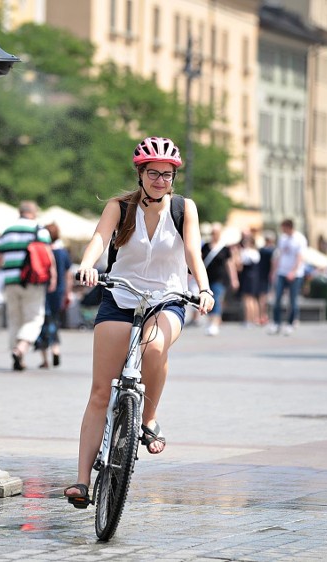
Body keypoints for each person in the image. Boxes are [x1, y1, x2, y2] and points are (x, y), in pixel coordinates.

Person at [65, 136, 214, 508]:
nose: (160, 180)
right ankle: (82, 481)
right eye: (153, 173)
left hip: (168, 299)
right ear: (140, 174)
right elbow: (100, 239)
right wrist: (87, 264)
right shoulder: (120, 207)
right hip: (120, 296)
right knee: (101, 391)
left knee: (155, 346)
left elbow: (193, 250)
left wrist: (205, 288)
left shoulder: (184, 209)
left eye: (167, 174)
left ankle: (147, 419)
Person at [0, 201, 57, 372]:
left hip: (10, 281)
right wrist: (53, 277)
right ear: (34, 213)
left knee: (14, 318)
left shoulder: (7, 231)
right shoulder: (39, 229)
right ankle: (21, 348)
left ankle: (18, 356)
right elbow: (48, 254)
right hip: (32, 280)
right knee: (34, 317)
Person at [34, 222, 72, 367]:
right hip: (59, 291)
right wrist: (67, 293)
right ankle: (56, 349)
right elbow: (68, 275)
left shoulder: (42, 251)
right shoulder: (63, 252)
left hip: (43, 290)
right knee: (55, 320)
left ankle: (45, 359)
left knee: (42, 321)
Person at [268, 219, 307, 336]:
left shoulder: (299, 239)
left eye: (284, 228)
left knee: (293, 300)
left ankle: (290, 323)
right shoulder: (283, 238)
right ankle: (276, 323)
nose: (282, 230)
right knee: (277, 298)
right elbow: (279, 255)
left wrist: (293, 272)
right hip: (281, 272)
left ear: (289, 227)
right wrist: (274, 271)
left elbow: (300, 257)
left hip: (295, 274)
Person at [199, 223, 237, 336]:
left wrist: (234, 279)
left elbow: (230, 264)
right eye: (212, 232)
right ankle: (211, 321)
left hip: (220, 278)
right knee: (206, 299)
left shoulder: (225, 248)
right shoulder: (205, 246)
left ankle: (214, 323)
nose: (214, 235)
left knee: (216, 299)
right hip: (206, 278)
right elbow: (199, 260)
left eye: (216, 232)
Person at [236, 231, 260, 328]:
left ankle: (248, 320)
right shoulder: (256, 252)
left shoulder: (246, 252)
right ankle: (255, 319)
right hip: (254, 276)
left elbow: (239, 266)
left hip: (247, 276)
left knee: (247, 299)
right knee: (253, 299)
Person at [256, 233, 276, 326]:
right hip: (267, 276)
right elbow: (273, 263)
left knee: (262, 297)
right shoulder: (272, 250)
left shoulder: (262, 250)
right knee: (265, 297)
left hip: (262, 275)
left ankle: (262, 315)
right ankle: (263, 316)